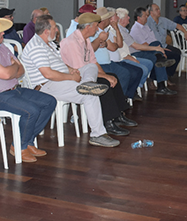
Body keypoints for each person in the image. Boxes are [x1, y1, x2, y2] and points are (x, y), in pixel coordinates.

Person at [0, 14, 57, 163]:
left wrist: (12, 69)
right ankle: (19, 146)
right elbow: (6, 73)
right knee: (31, 110)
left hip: (14, 90)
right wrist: (13, 68)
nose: (3, 33)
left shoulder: (1, 46)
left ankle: (27, 141)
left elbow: (21, 71)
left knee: (49, 101)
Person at [20, 15, 119, 147]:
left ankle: (87, 84)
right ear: (46, 31)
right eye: (55, 28)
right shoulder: (36, 46)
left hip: (61, 78)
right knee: (90, 95)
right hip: (46, 86)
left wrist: (71, 69)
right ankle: (98, 134)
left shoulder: (48, 44)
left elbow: (58, 65)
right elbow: (48, 74)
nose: (57, 31)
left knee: (89, 67)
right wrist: (71, 77)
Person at [60, 13, 137, 136]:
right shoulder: (72, 42)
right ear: (88, 27)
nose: (97, 29)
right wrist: (104, 76)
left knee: (113, 77)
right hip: (75, 77)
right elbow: (81, 69)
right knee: (104, 82)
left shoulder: (84, 40)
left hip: (86, 73)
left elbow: (93, 62)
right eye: (96, 26)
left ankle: (118, 115)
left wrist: (105, 74)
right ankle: (108, 122)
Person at [91, 7, 142, 103]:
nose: (110, 20)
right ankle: (118, 101)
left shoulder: (106, 31)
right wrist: (104, 43)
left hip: (110, 62)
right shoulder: (96, 32)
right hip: (102, 64)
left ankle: (123, 98)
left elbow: (117, 45)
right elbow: (112, 47)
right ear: (103, 20)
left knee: (133, 72)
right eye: (108, 18)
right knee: (124, 74)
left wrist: (108, 42)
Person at [124, 7, 177, 95]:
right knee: (158, 58)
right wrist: (158, 50)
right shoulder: (136, 29)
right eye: (145, 16)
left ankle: (161, 85)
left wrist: (160, 49)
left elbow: (155, 41)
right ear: (139, 17)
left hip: (150, 49)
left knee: (160, 55)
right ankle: (161, 86)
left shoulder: (146, 27)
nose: (147, 18)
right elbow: (143, 46)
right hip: (139, 52)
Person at [106, 9, 154, 97]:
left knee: (149, 63)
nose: (129, 18)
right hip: (122, 58)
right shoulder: (109, 31)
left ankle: (135, 88)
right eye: (126, 16)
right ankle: (130, 93)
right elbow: (115, 48)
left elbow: (119, 45)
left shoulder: (118, 30)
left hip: (126, 56)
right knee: (140, 69)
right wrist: (129, 57)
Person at [147, 3, 187, 80]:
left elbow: (177, 25)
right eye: (157, 10)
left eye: (159, 9)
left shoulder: (163, 20)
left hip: (164, 45)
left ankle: (168, 75)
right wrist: (159, 49)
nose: (159, 11)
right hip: (153, 47)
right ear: (151, 12)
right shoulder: (147, 22)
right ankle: (152, 79)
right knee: (161, 56)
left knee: (177, 53)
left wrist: (185, 32)